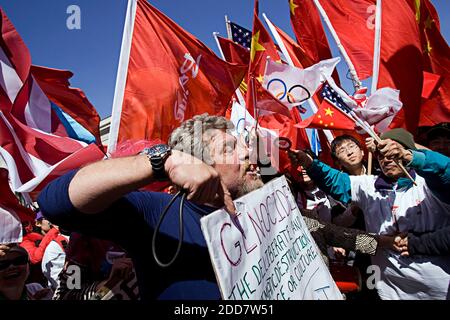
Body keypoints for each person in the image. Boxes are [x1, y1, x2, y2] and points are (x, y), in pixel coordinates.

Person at [37, 114, 260, 300]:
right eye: (229, 148)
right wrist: (103, 289)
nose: (247, 152)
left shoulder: (254, 208)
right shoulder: (88, 239)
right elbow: (69, 291)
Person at [288, 128, 450, 300]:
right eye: (381, 154)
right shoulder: (368, 186)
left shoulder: (430, 184)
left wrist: (413, 157)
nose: (386, 159)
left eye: (393, 153)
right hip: (392, 293)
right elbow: (334, 182)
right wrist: (310, 164)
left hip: (440, 290)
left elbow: (444, 170)